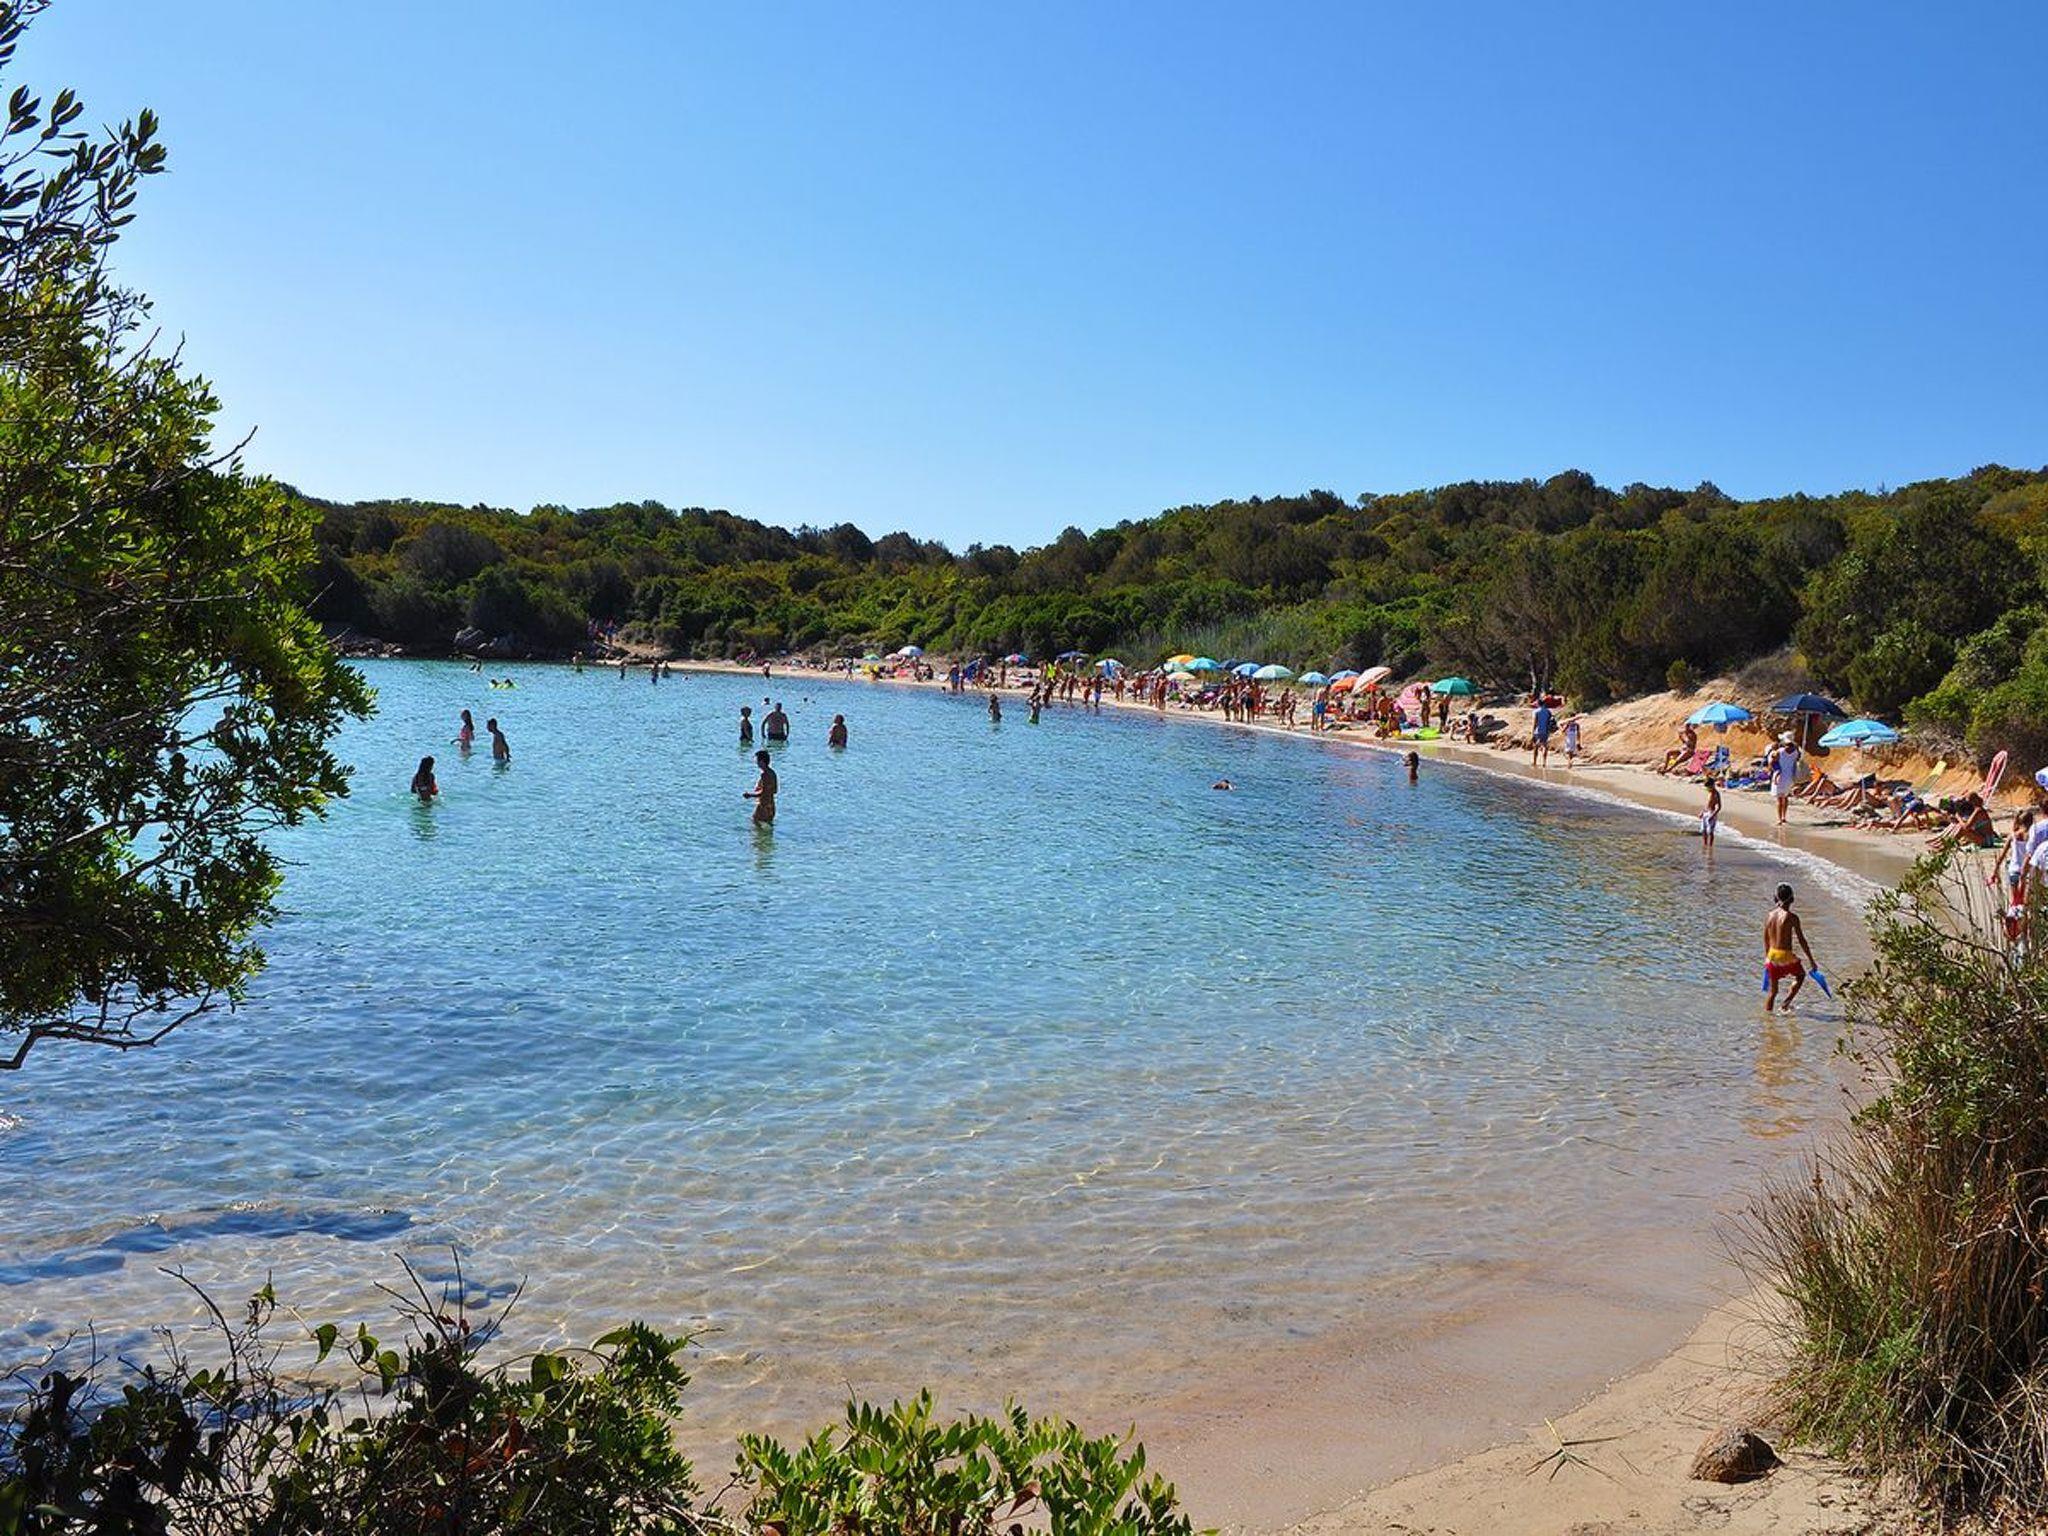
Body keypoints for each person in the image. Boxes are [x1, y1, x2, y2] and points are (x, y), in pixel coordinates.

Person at [1763, 883, 1819, 1013]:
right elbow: (1802, 941)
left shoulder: (1770, 915)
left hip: (1771, 955)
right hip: (1785, 955)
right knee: (1800, 975)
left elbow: (1765, 939)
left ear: (1776, 898)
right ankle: (1785, 1004)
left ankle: (1767, 1019)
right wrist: (1811, 960)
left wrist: (1767, 958)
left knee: (1773, 992)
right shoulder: (1792, 917)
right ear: (1792, 899)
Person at [1769, 735, 1800, 824]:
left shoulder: (1780, 751)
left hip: (1780, 777)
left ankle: (1779, 819)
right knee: (1785, 798)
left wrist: (1775, 769)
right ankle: (1784, 817)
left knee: (1779, 799)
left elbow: (1772, 762)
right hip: (1790, 777)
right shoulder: (1796, 752)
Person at [744, 749, 778, 824]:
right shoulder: (772, 773)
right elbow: (775, 790)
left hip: (763, 807)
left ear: (762, 761)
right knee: (767, 826)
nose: (756, 762)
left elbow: (764, 792)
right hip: (771, 806)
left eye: (757, 760)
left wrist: (750, 795)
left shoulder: (765, 775)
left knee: (755, 825)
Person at [1531, 697, 1554, 766]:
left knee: (1536, 746)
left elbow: (1534, 723)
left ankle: (1534, 762)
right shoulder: (1548, 711)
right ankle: (1544, 762)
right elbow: (1550, 721)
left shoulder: (1536, 711)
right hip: (1546, 731)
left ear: (1538, 704)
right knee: (1544, 746)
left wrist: (1532, 733)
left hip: (1537, 731)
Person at [1701, 773, 1721, 847]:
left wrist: (1713, 815)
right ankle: (1705, 844)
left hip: (1712, 812)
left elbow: (1719, 807)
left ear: (1712, 785)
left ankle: (1710, 845)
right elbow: (1707, 804)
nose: (1707, 789)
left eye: (1709, 787)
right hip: (1706, 812)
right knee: (1703, 830)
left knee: (1710, 831)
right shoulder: (1709, 793)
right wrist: (1702, 812)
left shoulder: (1716, 794)